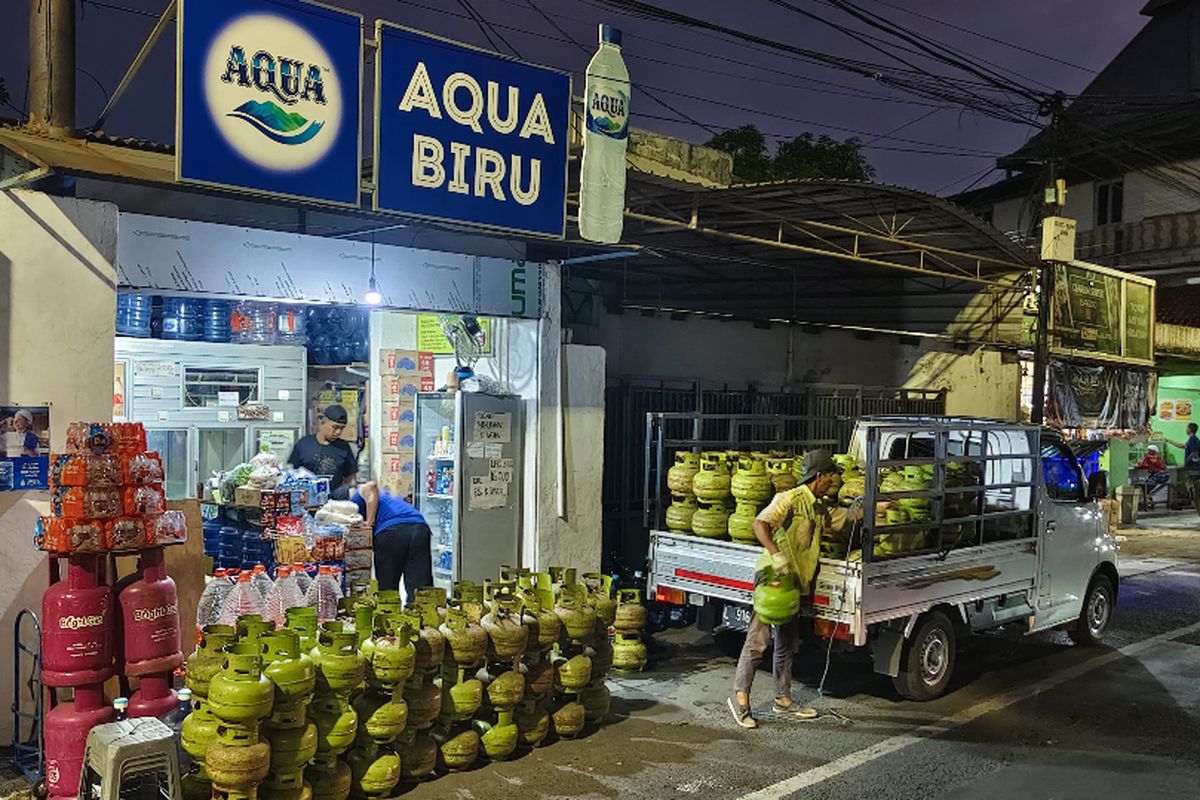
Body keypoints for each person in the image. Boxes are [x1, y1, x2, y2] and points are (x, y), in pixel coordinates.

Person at [727, 449, 842, 730]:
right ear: (820, 475)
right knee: (758, 641)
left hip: (795, 584)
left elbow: (837, 523)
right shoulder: (789, 498)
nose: (835, 479)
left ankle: (783, 699)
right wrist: (777, 556)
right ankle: (740, 700)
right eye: (832, 474)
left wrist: (871, 509)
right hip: (773, 579)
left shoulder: (817, 505)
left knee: (787, 642)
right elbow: (760, 524)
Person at [333, 482, 433, 598]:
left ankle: (390, 613)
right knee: (420, 588)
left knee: (387, 590)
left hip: (391, 532)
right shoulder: (387, 498)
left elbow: (371, 486)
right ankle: (420, 614)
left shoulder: (356, 497)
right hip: (420, 528)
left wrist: (369, 522)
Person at [287, 405, 358, 486]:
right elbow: (291, 472)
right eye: (335, 427)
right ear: (323, 422)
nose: (338, 432)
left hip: (335, 495)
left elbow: (351, 479)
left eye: (342, 428)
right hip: (307, 494)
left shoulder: (344, 448)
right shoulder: (303, 444)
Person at [1166, 423, 1200, 514]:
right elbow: (1182, 446)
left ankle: (1196, 504)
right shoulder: (1193, 440)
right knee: (1193, 488)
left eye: (1187, 428)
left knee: (1192, 488)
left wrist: (1186, 464)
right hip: (1194, 468)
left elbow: (1193, 454)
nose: (1186, 429)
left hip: (1193, 469)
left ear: (1190, 429)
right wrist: (1170, 441)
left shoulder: (1193, 439)